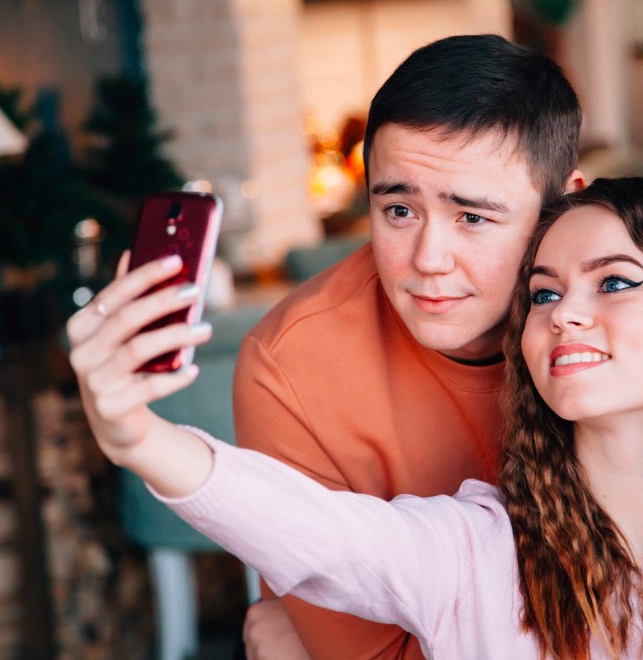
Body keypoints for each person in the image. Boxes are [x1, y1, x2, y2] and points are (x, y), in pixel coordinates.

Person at [68, 177, 643, 659]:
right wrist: (138, 436)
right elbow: (322, 533)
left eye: (613, 283)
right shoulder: (478, 554)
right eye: (543, 293)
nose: (564, 313)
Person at [233, 33, 584, 659]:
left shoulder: (632, 332)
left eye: (472, 217)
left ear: (565, 204)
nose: (427, 260)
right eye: (399, 210)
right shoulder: (289, 367)